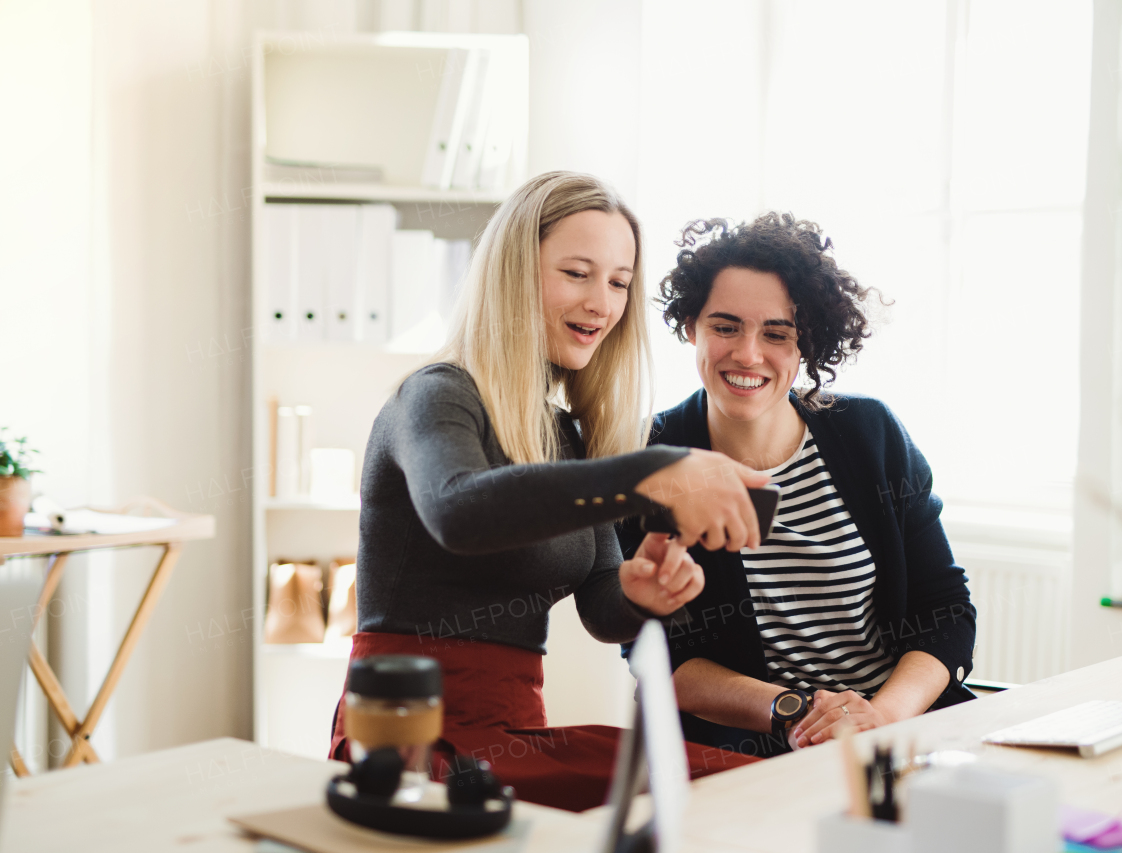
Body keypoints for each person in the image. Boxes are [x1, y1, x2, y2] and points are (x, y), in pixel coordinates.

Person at [327, 173, 769, 812]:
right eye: (578, 273)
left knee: (744, 779)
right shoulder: (435, 395)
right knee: (711, 789)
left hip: (514, 734)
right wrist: (651, 471)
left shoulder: (563, 433)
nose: (602, 303)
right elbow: (461, 511)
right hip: (413, 743)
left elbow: (600, 607)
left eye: (619, 283)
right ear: (511, 273)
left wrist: (643, 593)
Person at [619, 213, 977, 760]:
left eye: (776, 334)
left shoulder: (870, 435)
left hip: (899, 732)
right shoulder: (651, 457)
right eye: (725, 326)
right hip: (754, 753)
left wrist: (878, 716)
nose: (748, 354)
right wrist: (798, 711)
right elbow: (660, 657)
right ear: (691, 324)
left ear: (805, 342)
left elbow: (945, 611)